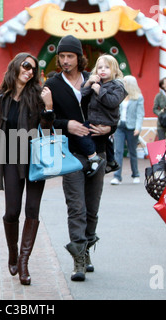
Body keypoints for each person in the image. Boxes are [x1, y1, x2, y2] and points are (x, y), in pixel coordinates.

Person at [0, 52, 54, 285]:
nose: (29, 71)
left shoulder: (39, 96)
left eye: (33, 68)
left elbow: (48, 131)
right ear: (15, 66)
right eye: (26, 66)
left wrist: (49, 107)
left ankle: (23, 263)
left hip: (35, 158)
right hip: (10, 157)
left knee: (32, 210)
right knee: (12, 211)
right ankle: (13, 251)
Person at [42, 35, 114, 281]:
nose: (64, 61)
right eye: (61, 56)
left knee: (92, 209)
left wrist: (110, 128)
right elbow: (45, 122)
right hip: (70, 153)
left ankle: (86, 248)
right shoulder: (53, 83)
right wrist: (67, 124)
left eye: (69, 56)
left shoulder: (95, 79)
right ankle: (78, 260)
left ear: (79, 57)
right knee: (76, 208)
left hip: (99, 150)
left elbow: (111, 110)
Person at [77, 54, 127, 176]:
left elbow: (113, 101)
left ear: (114, 70)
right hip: (95, 118)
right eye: (100, 68)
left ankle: (94, 158)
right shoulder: (97, 82)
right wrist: (89, 82)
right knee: (105, 141)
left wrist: (100, 91)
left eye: (107, 67)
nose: (103, 70)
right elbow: (83, 93)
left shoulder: (118, 86)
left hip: (105, 120)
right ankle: (111, 161)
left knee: (81, 134)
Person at [111, 75, 144, 185]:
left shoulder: (138, 97)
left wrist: (138, 128)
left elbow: (140, 114)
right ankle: (117, 176)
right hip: (119, 126)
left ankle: (135, 174)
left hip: (132, 127)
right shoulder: (120, 96)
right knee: (118, 151)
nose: (122, 83)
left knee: (132, 152)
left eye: (124, 81)